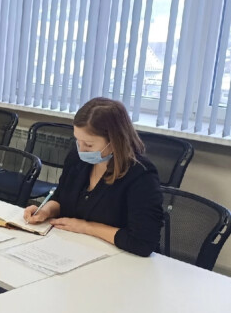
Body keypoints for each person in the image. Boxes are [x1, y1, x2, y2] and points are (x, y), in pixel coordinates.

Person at [23, 97, 163, 256]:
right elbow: (61, 198)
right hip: (75, 248)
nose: (81, 150)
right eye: (78, 141)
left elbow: (143, 243)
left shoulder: (141, 174)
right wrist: (46, 211)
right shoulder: (77, 158)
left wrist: (86, 227)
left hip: (120, 257)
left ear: (114, 141)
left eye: (89, 145)